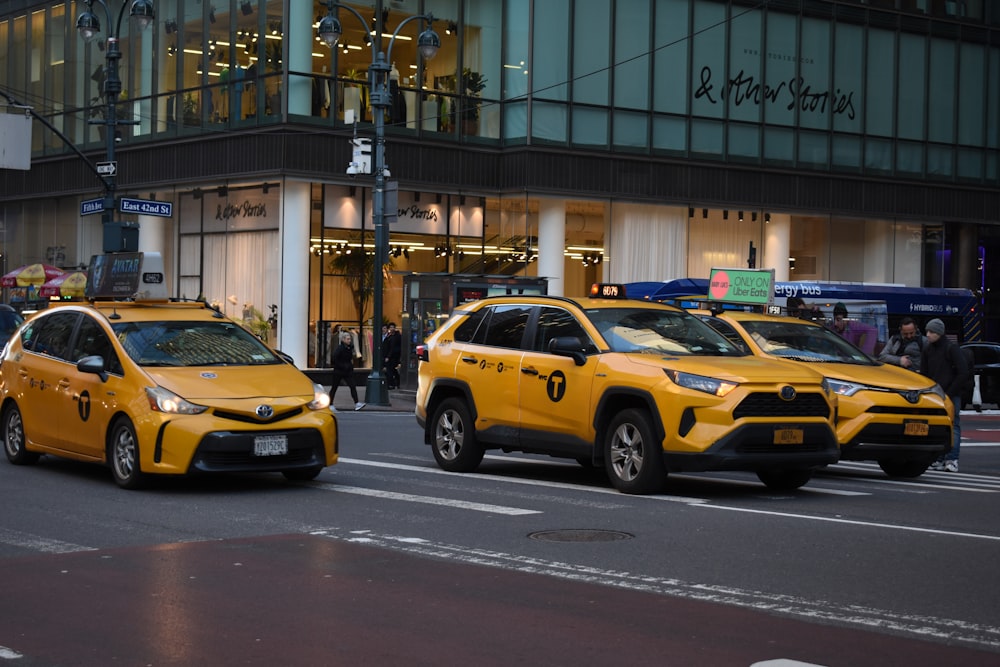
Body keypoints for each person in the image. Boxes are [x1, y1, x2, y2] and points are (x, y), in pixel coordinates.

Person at [921, 318, 970, 472]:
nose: (928, 335)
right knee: (942, 426)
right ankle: (941, 458)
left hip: (947, 393)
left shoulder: (950, 348)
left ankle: (951, 458)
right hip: (938, 394)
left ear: (939, 333)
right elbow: (924, 373)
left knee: (952, 424)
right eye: (927, 331)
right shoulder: (928, 349)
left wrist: (948, 392)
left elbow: (963, 372)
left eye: (931, 332)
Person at [331, 331, 365, 411]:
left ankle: (357, 403)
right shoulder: (340, 348)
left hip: (347, 371)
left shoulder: (350, 348)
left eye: (350, 339)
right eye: (348, 339)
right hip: (339, 371)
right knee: (334, 388)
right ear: (343, 340)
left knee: (352, 386)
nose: (349, 340)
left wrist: (349, 367)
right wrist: (343, 366)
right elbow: (335, 359)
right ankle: (330, 404)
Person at [383, 322, 402, 389]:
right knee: (392, 370)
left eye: (393, 327)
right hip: (390, 356)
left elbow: (393, 347)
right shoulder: (389, 336)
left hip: (394, 356)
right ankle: (394, 383)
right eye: (390, 327)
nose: (392, 328)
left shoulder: (397, 336)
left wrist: (388, 356)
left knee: (391, 370)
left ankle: (393, 383)